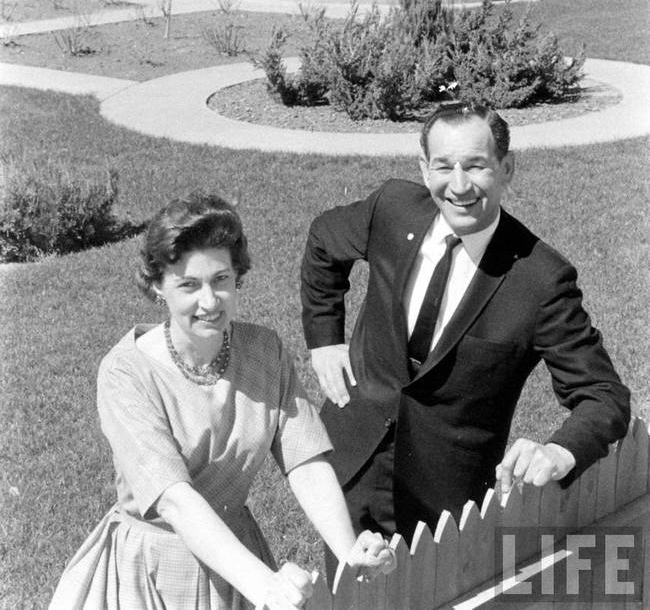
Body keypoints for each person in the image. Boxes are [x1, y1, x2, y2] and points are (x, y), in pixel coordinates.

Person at [301, 102, 630, 545]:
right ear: (423, 168)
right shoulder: (392, 210)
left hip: (444, 504)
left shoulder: (540, 279)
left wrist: (557, 452)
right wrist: (324, 338)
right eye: (443, 167)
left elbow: (603, 395)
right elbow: (324, 239)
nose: (458, 186)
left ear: (506, 167)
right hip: (352, 461)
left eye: (476, 166)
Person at [49, 192, 394, 610]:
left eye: (221, 280)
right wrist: (264, 585)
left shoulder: (264, 350)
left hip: (235, 557)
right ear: (158, 286)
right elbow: (175, 499)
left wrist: (348, 550)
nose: (210, 302)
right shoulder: (126, 373)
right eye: (189, 285)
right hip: (153, 570)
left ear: (237, 276)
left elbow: (305, 463)